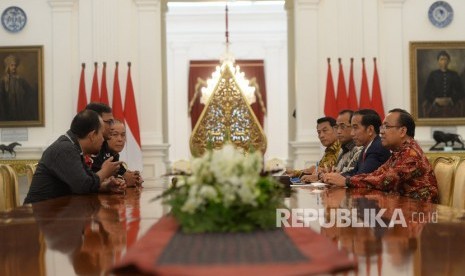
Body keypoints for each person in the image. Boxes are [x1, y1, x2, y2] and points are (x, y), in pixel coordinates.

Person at [324, 109, 439, 203]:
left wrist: (346, 181)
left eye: (386, 127)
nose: (381, 132)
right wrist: (342, 179)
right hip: (401, 209)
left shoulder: (411, 154)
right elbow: (377, 174)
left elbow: (384, 180)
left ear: (403, 131)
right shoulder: (399, 152)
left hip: (419, 214)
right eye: (382, 127)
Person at [24, 110, 125, 204]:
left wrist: (106, 186)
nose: (104, 140)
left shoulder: (74, 148)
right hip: (40, 215)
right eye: (102, 135)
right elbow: (83, 186)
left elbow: (86, 180)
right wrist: (104, 171)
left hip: (56, 212)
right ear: (92, 135)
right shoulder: (65, 149)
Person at [322, 109, 391, 184]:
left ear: (370, 130)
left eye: (355, 128)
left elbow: (361, 176)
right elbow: (354, 172)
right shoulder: (367, 147)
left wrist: (343, 180)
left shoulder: (378, 148)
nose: (352, 133)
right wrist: (333, 177)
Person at [422, 50, 465, 118]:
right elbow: (426, 92)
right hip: (435, 106)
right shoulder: (433, 74)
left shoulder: (454, 74)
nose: (444, 62)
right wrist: (435, 100)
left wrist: (451, 99)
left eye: (446, 59)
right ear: (438, 61)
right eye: (441, 59)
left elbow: (461, 92)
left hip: (451, 105)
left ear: (448, 61)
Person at [297, 116, 340, 183]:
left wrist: (317, 174)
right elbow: (317, 170)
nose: (321, 135)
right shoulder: (329, 149)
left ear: (335, 129)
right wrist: (295, 173)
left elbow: (337, 173)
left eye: (325, 131)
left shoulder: (342, 148)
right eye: (319, 132)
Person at [107, 119, 144, 187]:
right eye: (115, 134)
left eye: (123, 135)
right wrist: (124, 179)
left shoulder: (115, 155)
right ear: (105, 135)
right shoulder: (99, 154)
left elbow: (124, 174)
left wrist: (135, 177)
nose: (120, 139)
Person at [0, 54, 37, 121]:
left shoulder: (20, 79)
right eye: (12, 65)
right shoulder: (3, 81)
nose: (14, 67)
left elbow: (30, 91)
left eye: (15, 65)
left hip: (20, 109)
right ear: (8, 67)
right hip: (8, 109)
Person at [333, 110, 362, 174]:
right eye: (337, 127)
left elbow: (352, 176)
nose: (338, 131)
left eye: (342, 127)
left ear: (353, 127)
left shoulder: (359, 149)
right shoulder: (342, 149)